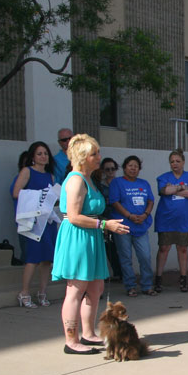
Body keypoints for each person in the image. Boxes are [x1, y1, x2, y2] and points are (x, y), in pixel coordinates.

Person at [52, 134, 130, 355]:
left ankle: (87, 333)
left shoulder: (89, 179)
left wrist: (102, 226)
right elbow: (74, 216)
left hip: (91, 236)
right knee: (76, 290)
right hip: (78, 237)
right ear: (83, 157)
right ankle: (71, 340)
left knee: (96, 288)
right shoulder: (76, 179)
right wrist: (105, 224)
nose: (99, 157)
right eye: (94, 154)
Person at [12, 141, 59, 308]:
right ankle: (24, 292)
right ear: (32, 156)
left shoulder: (50, 176)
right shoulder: (27, 171)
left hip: (47, 221)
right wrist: (39, 196)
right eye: (39, 153)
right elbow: (16, 192)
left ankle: (42, 292)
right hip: (32, 221)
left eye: (45, 153)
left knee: (47, 259)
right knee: (33, 257)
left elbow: (52, 200)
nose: (43, 156)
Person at [109, 155, 156, 297]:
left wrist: (145, 215)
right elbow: (115, 202)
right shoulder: (117, 183)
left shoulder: (144, 183)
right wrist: (129, 215)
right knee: (125, 258)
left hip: (141, 226)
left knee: (145, 256)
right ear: (124, 167)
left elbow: (150, 201)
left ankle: (147, 285)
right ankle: (130, 286)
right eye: (130, 165)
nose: (133, 168)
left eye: (136, 166)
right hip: (123, 226)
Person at [154, 150, 188, 293]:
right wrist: (181, 187)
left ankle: (183, 279)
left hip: (184, 220)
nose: (175, 164)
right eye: (172, 161)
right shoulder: (163, 177)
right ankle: (158, 279)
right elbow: (164, 191)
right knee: (163, 248)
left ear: (183, 162)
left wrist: (173, 189)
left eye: (178, 161)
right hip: (165, 219)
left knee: (183, 248)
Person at [93, 157, 122, 282]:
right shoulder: (99, 185)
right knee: (108, 248)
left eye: (113, 169)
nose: (110, 171)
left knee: (120, 248)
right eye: (107, 169)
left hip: (119, 217)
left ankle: (120, 273)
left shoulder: (120, 183)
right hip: (105, 218)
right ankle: (109, 273)